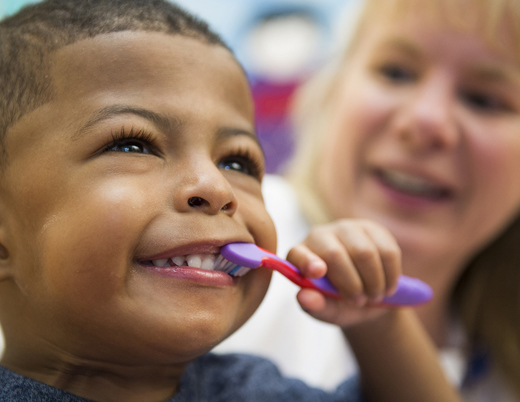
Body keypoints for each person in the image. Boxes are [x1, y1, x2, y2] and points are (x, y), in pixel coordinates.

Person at [0, 0, 463, 401]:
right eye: (133, 146)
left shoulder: (256, 391)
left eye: (238, 163)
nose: (216, 188)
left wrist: (377, 324)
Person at [215, 0, 520, 400]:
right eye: (395, 72)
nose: (426, 121)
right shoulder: (232, 228)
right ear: (332, 89)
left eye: (483, 99)